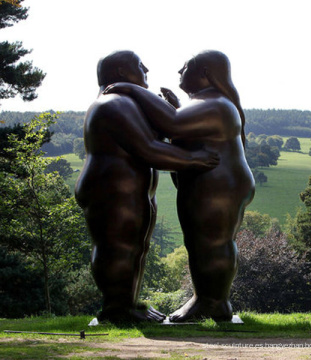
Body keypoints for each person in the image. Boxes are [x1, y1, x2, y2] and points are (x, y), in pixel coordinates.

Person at [104, 50, 255, 322]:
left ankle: (212, 302)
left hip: (217, 187)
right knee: (200, 243)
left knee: (211, 243)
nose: (179, 72)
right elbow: (178, 122)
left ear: (205, 73)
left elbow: (172, 125)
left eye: (185, 67)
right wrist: (173, 105)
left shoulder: (216, 103)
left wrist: (132, 89)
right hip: (209, 185)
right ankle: (207, 299)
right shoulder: (206, 102)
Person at [74, 50, 219, 324]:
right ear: (119, 72)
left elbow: (167, 128)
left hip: (130, 193)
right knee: (116, 248)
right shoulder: (113, 104)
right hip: (111, 192)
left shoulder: (127, 103)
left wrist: (174, 107)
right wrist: (194, 159)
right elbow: (148, 149)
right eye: (140, 65)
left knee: (135, 248)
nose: (147, 69)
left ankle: (128, 303)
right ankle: (116, 307)